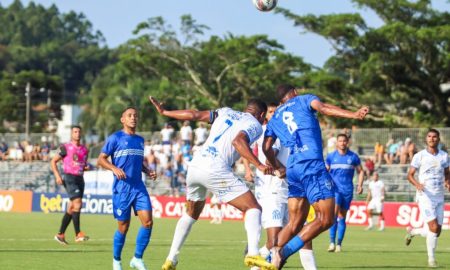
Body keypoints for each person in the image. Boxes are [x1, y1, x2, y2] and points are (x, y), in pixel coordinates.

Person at [149, 96, 275, 270]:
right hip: (215, 168)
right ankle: (253, 253)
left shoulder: (225, 112)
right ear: (261, 114)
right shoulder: (254, 124)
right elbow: (238, 141)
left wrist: (165, 112)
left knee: (191, 213)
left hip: (195, 166)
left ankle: (171, 259)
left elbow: (193, 115)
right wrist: (259, 164)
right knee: (253, 208)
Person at [262, 84, 368, 269]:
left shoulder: (275, 116)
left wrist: (278, 167)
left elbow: (265, 147)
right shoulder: (304, 99)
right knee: (326, 219)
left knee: (295, 223)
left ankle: (265, 260)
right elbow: (324, 108)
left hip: (293, 169)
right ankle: (283, 252)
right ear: (294, 91)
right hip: (311, 164)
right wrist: (353, 114)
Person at [244, 102, 317, 270]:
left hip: (289, 189)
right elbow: (270, 155)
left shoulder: (287, 131)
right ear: (266, 115)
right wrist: (278, 168)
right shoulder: (270, 132)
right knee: (274, 241)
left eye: (276, 111)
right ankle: (256, 259)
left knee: (303, 235)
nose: (274, 113)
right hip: (273, 191)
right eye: (271, 111)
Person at [97, 107, 157, 270]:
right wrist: (113, 168)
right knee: (123, 226)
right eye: (129, 115)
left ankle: (137, 258)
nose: (133, 118)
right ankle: (116, 261)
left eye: (135, 116)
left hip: (138, 187)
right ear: (122, 119)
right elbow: (100, 160)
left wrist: (147, 170)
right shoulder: (115, 138)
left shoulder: (139, 140)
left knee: (148, 222)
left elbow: (138, 162)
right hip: (122, 188)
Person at [404, 129, 449, 268]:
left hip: (439, 196)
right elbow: (410, 175)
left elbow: (447, 173)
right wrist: (417, 184)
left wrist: (447, 182)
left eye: (434, 137)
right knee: (433, 227)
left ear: (438, 139)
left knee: (436, 231)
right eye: (429, 136)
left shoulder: (444, 156)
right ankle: (431, 259)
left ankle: (413, 231)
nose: (431, 139)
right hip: (425, 196)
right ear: (426, 139)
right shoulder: (419, 156)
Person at [51, 125, 90, 245]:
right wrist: (57, 176)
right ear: (71, 134)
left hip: (80, 179)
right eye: (75, 132)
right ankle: (78, 234)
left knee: (72, 207)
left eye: (79, 132)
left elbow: (82, 164)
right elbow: (53, 161)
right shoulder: (65, 148)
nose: (77, 134)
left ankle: (60, 234)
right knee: (78, 203)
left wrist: (85, 167)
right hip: (69, 178)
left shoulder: (85, 150)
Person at [326, 133, 365, 252]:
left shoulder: (353, 157)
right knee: (334, 214)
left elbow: (361, 171)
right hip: (335, 190)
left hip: (348, 190)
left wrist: (360, 184)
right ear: (336, 143)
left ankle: (338, 244)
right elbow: (325, 171)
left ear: (347, 142)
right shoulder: (331, 156)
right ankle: (332, 243)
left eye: (344, 141)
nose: (342, 143)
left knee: (342, 216)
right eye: (340, 141)